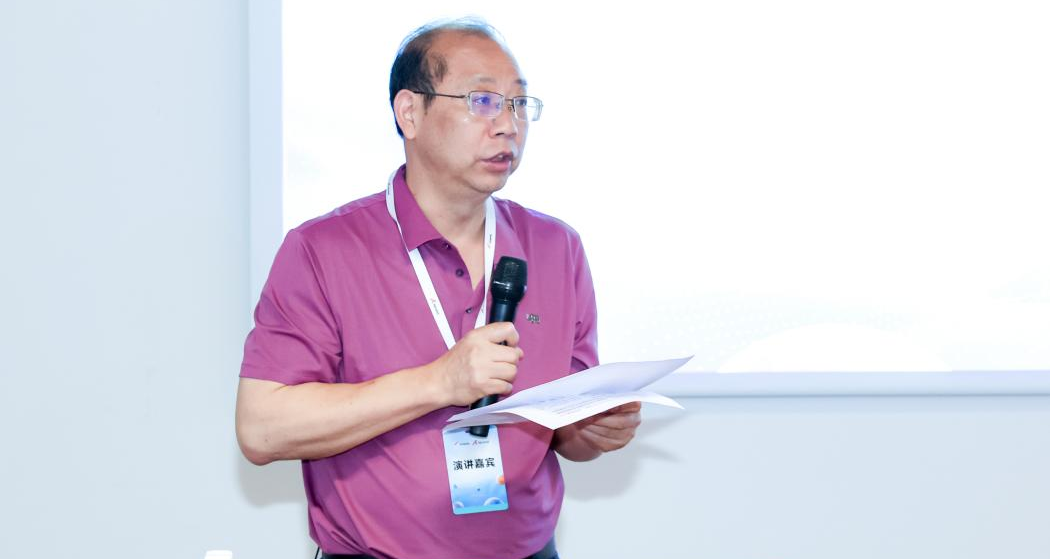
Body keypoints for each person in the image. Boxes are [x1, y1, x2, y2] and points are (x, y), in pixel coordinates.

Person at [236, 18, 642, 559]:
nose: (508, 125)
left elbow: (567, 433)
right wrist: (439, 382)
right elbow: (262, 429)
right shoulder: (323, 250)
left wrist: (590, 431)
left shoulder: (555, 247)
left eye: (519, 104)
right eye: (482, 101)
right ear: (410, 112)